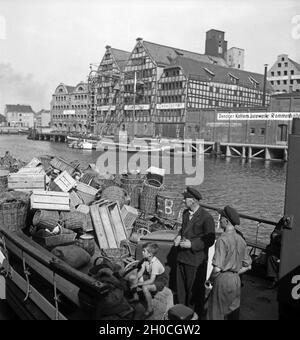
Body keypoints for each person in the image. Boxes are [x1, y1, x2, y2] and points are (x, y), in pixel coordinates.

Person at [174, 186, 215, 318]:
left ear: (193, 201)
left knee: (193, 292)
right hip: (181, 258)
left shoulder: (206, 218)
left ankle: (192, 317)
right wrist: (179, 236)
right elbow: (183, 230)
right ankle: (180, 314)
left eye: (185, 198)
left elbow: (209, 239)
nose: (183, 200)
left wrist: (192, 244)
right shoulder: (186, 214)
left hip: (195, 262)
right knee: (181, 290)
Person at [206, 206, 252, 320]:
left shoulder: (222, 240)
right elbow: (248, 265)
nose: (219, 219)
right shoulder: (240, 239)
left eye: (221, 217)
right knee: (233, 312)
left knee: (216, 313)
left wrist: (210, 280)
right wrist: (235, 271)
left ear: (226, 221)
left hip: (223, 280)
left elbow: (217, 268)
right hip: (236, 279)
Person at [128, 242, 168, 319]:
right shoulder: (145, 260)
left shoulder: (155, 264)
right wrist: (135, 279)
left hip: (160, 280)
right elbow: (141, 272)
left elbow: (151, 280)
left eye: (144, 251)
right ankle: (135, 297)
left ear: (150, 254)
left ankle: (150, 309)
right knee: (132, 278)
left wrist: (137, 284)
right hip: (150, 276)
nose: (142, 252)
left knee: (145, 287)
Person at [265, 217, 286, 289]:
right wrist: (279, 237)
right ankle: (275, 279)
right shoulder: (285, 219)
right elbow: (274, 233)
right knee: (271, 254)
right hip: (280, 246)